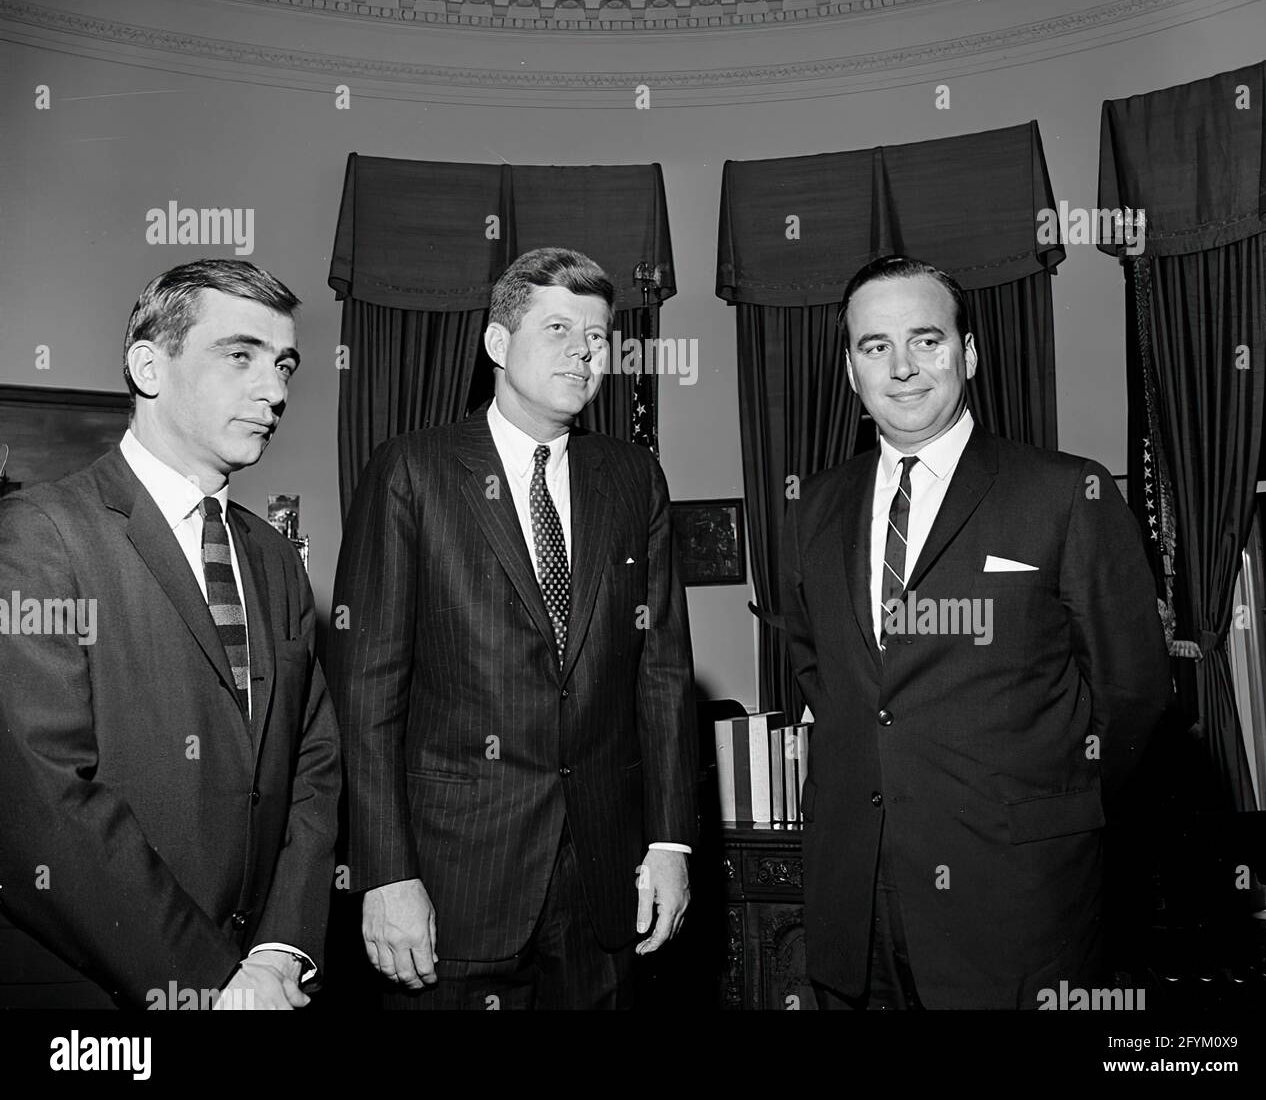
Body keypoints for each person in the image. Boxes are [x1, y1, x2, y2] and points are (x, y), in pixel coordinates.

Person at [779, 254, 1170, 1009]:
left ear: (970, 353)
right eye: (874, 346)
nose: (902, 368)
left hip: (1017, 902)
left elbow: (1134, 693)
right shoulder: (813, 508)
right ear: (851, 370)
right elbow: (821, 675)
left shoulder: (1065, 493)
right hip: (855, 905)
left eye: (926, 340)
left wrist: (1048, 809)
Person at [327, 247, 698, 1009]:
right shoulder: (411, 470)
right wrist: (385, 872)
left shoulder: (634, 478)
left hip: (603, 883)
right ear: (498, 344)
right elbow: (365, 692)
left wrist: (669, 841)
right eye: (558, 328)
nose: (583, 351)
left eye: (597, 336)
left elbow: (660, 672)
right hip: (452, 882)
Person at [0, 260, 340, 1009]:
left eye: (284, 365)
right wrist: (212, 981)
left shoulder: (275, 558)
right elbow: (42, 800)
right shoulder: (40, 535)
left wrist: (281, 949)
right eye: (241, 355)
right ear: (148, 365)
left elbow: (312, 762)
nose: (276, 391)